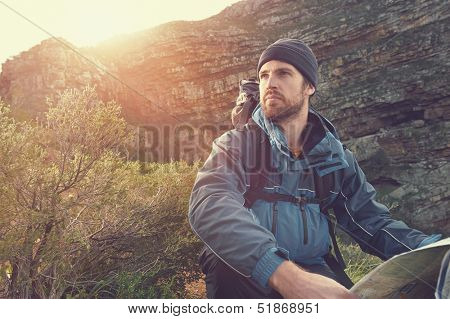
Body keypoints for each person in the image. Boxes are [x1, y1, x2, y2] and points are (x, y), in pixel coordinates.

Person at [188, 38, 442, 299]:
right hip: (251, 271)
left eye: (283, 73)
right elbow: (210, 201)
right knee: (223, 262)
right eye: (264, 75)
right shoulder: (238, 143)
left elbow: (371, 223)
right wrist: (283, 273)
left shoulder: (334, 157)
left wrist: (432, 250)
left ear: (309, 86)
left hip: (315, 268)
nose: (270, 83)